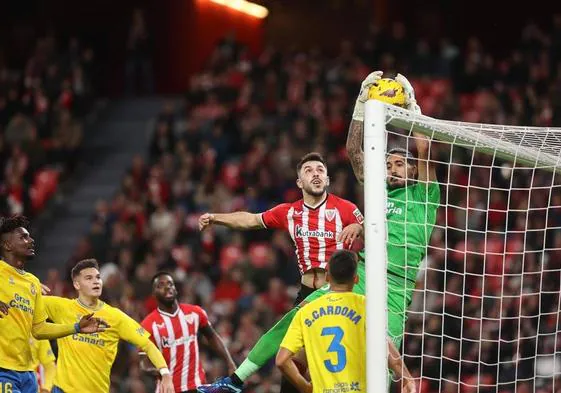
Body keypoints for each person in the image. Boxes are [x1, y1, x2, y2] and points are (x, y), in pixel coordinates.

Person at [197, 72, 439, 393]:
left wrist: (411, 105)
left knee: (383, 361)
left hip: (397, 285)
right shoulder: (374, 192)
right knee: (292, 332)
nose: (392, 168)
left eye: (400, 164)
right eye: (389, 163)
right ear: (299, 181)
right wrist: (361, 105)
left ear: (413, 170)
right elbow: (355, 155)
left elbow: (425, 146)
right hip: (360, 276)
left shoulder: (424, 193)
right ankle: (237, 381)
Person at [198, 152, 364, 393]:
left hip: (337, 289)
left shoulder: (346, 209)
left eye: (320, 170)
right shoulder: (289, 212)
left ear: (327, 179)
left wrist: (359, 226)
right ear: (299, 183)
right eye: (308, 170)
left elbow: (374, 232)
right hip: (308, 292)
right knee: (292, 362)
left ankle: (235, 382)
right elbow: (251, 220)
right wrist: (216, 218)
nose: (315, 174)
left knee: (282, 334)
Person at [275, 250, 416, 393]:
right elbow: (385, 348)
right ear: (356, 279)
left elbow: (281, 360)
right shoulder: (366, 306)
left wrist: (304, 387)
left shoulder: (305, 312)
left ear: (328, 277)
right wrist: (406, 377)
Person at [0, 215, 107, 393]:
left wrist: (76, 327)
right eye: (23, 237)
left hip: (28, 374)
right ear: (7, 245)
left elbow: (39, 329)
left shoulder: (32, 282)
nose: (31, 240)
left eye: (29, 236)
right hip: (3, 370)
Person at [42, 259, 174, 393]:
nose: (96, 281)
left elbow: (147, 344)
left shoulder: (115, 316)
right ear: (77, 284)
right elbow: (27, 300)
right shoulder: (62, 307)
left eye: (98, 277)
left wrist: (165, 373)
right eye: (89, 278)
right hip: (62, 389)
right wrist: (32, 285)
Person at [140, 272, 236, 393]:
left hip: (197, 386)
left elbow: (213, 338)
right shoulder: (147, 325)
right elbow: (143, 362)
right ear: (153, 293)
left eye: (170, 284)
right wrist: (162, 373)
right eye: (161, 285)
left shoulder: (195, 312)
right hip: (168, 390)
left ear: (175, 289)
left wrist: (230, 362)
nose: (167, 287)